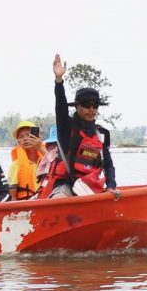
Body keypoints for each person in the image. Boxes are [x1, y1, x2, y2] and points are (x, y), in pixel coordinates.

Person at [40, 54, 117, 199]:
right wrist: (58, 81)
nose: (91, 109)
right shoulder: (67, 127)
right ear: (77, 107)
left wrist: (111, 186)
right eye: (87, 105)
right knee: (59, 200)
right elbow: (60, 107)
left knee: (109, 195)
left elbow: (108, 165)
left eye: (95, 105)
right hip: (66, 186)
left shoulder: (101, 134)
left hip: (90, 187)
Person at [7, 120, 46, 200]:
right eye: (21, 137)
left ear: (37, 136)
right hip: (27, 206)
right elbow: (12, 197)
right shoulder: (15, 166)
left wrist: (40, 147)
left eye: (28, 135)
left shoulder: (46, 158)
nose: (25, 139)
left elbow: (55, 164)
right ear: (18, 141)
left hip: (45, 202)